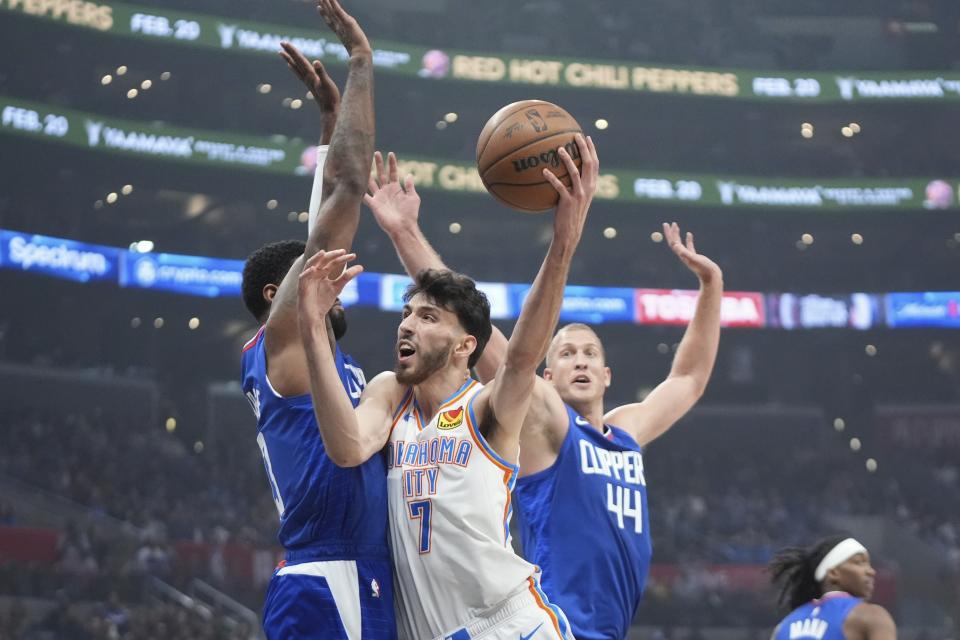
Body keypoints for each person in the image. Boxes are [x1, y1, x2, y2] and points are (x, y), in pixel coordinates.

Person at [363, 153, 722, 640]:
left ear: (607, 373)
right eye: (567, 353)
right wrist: (405, 234)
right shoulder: (548, 423)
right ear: (547, 376)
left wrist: (711, 285)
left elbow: (689, 379)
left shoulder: (625, 433)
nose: (579, 360)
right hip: (551, 621)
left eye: (590, 352)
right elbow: (485, 336)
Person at [297, 134, 599, 639]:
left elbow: (523, 354)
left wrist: (563, 242)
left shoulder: (485, 408)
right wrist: (311, 325)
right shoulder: (391, 397)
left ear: (464, 346)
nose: (408, 325)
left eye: (429, 317)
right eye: (407, 313)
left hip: (508, 626)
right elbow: (347, 446)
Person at [239, 1, 394, 638]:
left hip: (363, 573)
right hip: (325, 578)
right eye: (311, 268)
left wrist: (329, 120)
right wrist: (361, 64)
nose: (331, 272)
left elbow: (322, 213)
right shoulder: (281, 343)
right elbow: (344, 192)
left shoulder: (332, 363)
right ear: (282, 293)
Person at [769, 536, 897, 639]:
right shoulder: (871, 616)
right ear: (833, 573)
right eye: (859, 563)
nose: (871, 571)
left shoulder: (783, 627)